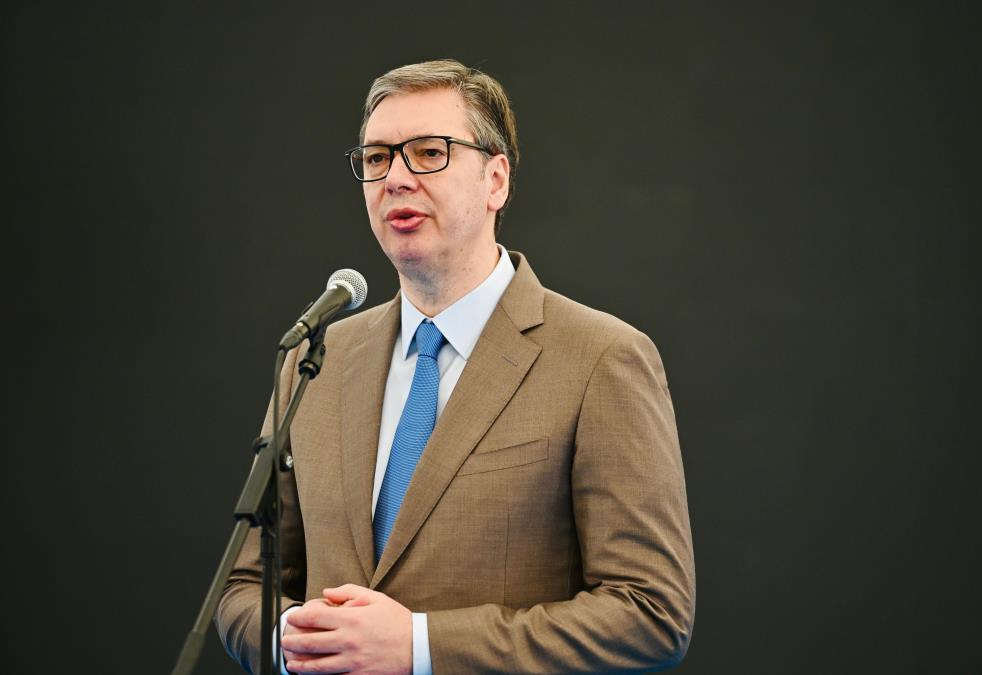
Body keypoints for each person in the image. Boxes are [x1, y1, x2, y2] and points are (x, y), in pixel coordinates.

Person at [216, 59, 695, 674]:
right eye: (377, 158)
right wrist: (295, 639)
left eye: (428, 153)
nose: (396, 178)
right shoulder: (317, 360)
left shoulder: (602, 358)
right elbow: (243, 587)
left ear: (496, 181)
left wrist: (418, 647)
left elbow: (650, 613)